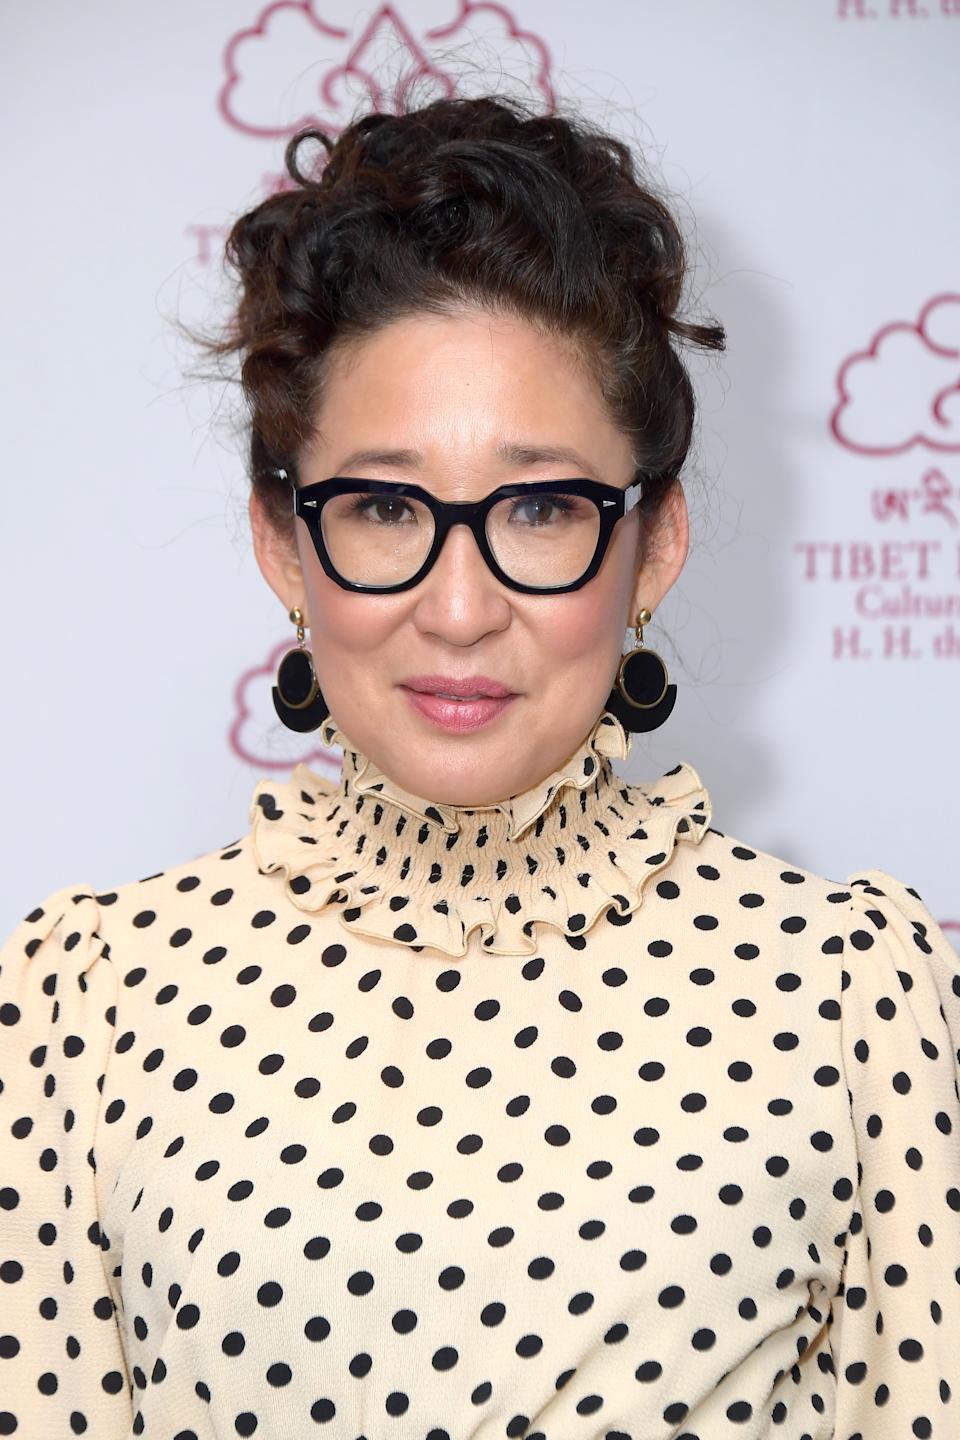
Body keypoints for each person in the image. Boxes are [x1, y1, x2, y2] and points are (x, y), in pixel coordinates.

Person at [1, 93, 957, 1440]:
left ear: (653, 546)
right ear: (284, 543)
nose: (459, 610)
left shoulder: (857, 988)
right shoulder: (85, 998)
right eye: (386, 507)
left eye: (543, 507)